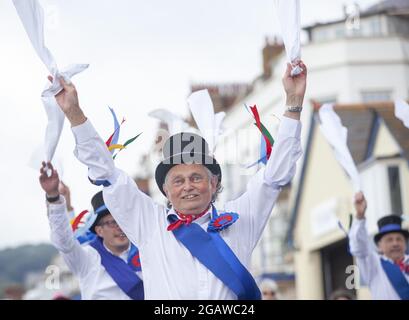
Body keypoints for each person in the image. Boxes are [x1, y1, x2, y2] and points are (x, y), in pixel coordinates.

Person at [50, 61, 306, 299]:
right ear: (165, 189)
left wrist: (293, 102)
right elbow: (108, 173)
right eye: (178, 180)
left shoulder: (241, 217)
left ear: (214, 183)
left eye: (196, 177)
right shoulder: (149, 223)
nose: (188, 186)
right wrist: (74, 112)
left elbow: (275, 176)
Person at [39, 162, 144, 300]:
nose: (120, 226)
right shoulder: (87, 257)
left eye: (122, 220)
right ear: (99, 231)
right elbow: (64, 241)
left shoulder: (145, 248)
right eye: (112, 222)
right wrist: (54, 197)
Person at [349, 191, 409, 300]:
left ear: (405, 243)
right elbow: (358, 247)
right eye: (389, 240)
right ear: (379, 246)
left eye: (399, 239)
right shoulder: (374, 264)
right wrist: (360, 216)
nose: (395, 243)